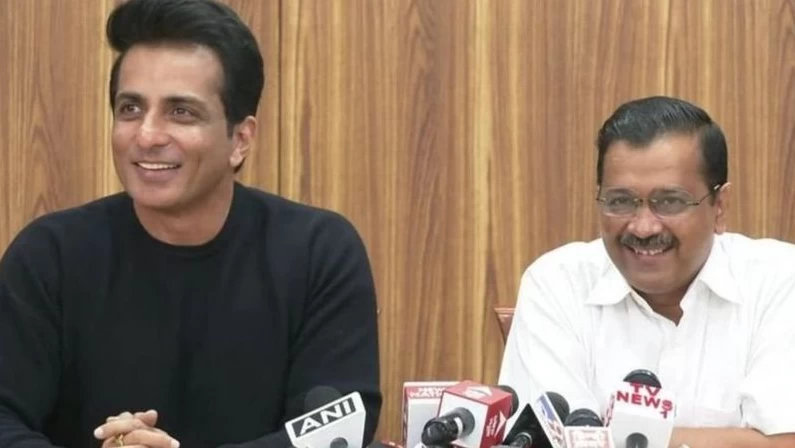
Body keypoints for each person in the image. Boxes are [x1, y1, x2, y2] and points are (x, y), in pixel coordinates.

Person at [0, 1, 382, 447]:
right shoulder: (49, 256)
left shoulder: (318, 252)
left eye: (181, 112)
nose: (147, 135)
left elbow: (336, 431)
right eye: (130, 108)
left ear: (240, 140)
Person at [498, 96, 795, 447]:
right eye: (621, 201)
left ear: (719, 207)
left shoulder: (779, 280)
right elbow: (550, 440)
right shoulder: (557, 284)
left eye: (670, 201)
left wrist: (620, 439)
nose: (643, 227)